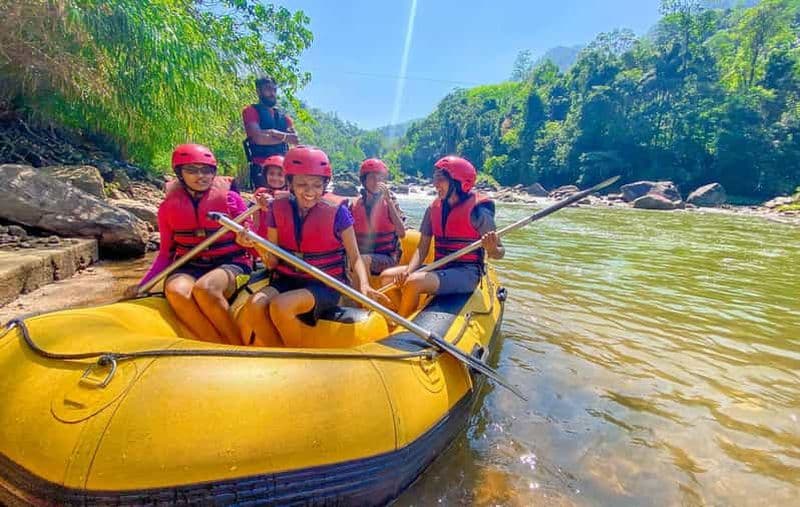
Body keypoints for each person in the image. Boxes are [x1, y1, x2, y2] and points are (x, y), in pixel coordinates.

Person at [237, 146, 388, 347]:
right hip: (288, 279)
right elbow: (272, 261)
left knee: (281, 306)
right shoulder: (277, 208)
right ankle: (280, 356)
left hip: (324, 283)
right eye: (302, 184)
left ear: (325, 184)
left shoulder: (338, 213)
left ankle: (295, 359)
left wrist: (364, 284)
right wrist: (254, 242)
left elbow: (355, 257)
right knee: (255, 305)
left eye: (317, 185)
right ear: (289, 183)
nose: (310, 192)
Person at [137, 144, 252, 344]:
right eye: (192, 170)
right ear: (180, 174)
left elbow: (252, 237)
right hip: (190, 265)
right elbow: (165, 254)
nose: (201, 176)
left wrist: (250, 243)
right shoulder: (167, 208)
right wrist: (143, 286)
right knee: (176, 291)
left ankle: (238, 346)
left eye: (206, 170)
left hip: (231, 263)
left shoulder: (231, 200)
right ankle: (214, 344)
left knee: (206, 289)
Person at [381, 156, 504, 317]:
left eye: (441, 179)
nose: (435, 184)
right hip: (440, 267)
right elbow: (422, 248)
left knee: (413, 282)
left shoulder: (478, 212)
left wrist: (492, 248)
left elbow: (500, 252)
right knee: (386, 277)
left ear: (458, 182)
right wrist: (409, 270)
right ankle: (405, 313)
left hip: (466, 272)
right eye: (435, 178)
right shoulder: (433, 209)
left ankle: (401, 323)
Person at [350, 158, 405, 290]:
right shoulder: (354, 205)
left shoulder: (391, 203)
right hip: (363, 257)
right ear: (364, 181)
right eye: (372, 177)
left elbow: (402, 233)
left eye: (380, 178)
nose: (376, 182)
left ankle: (360, 305)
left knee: (361, 261)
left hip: (387, 259)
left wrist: (389, 201)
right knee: (352, 260)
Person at [242, 76, 298, 188]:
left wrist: (273, 132)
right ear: (258, 91)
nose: (272, 93)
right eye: (268, 89)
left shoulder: (284, 117)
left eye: (274, 90)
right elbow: (258, 138)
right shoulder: (251, 111)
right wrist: (285, 137)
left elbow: (295, 140)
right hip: (262, 167)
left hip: (283, 167)